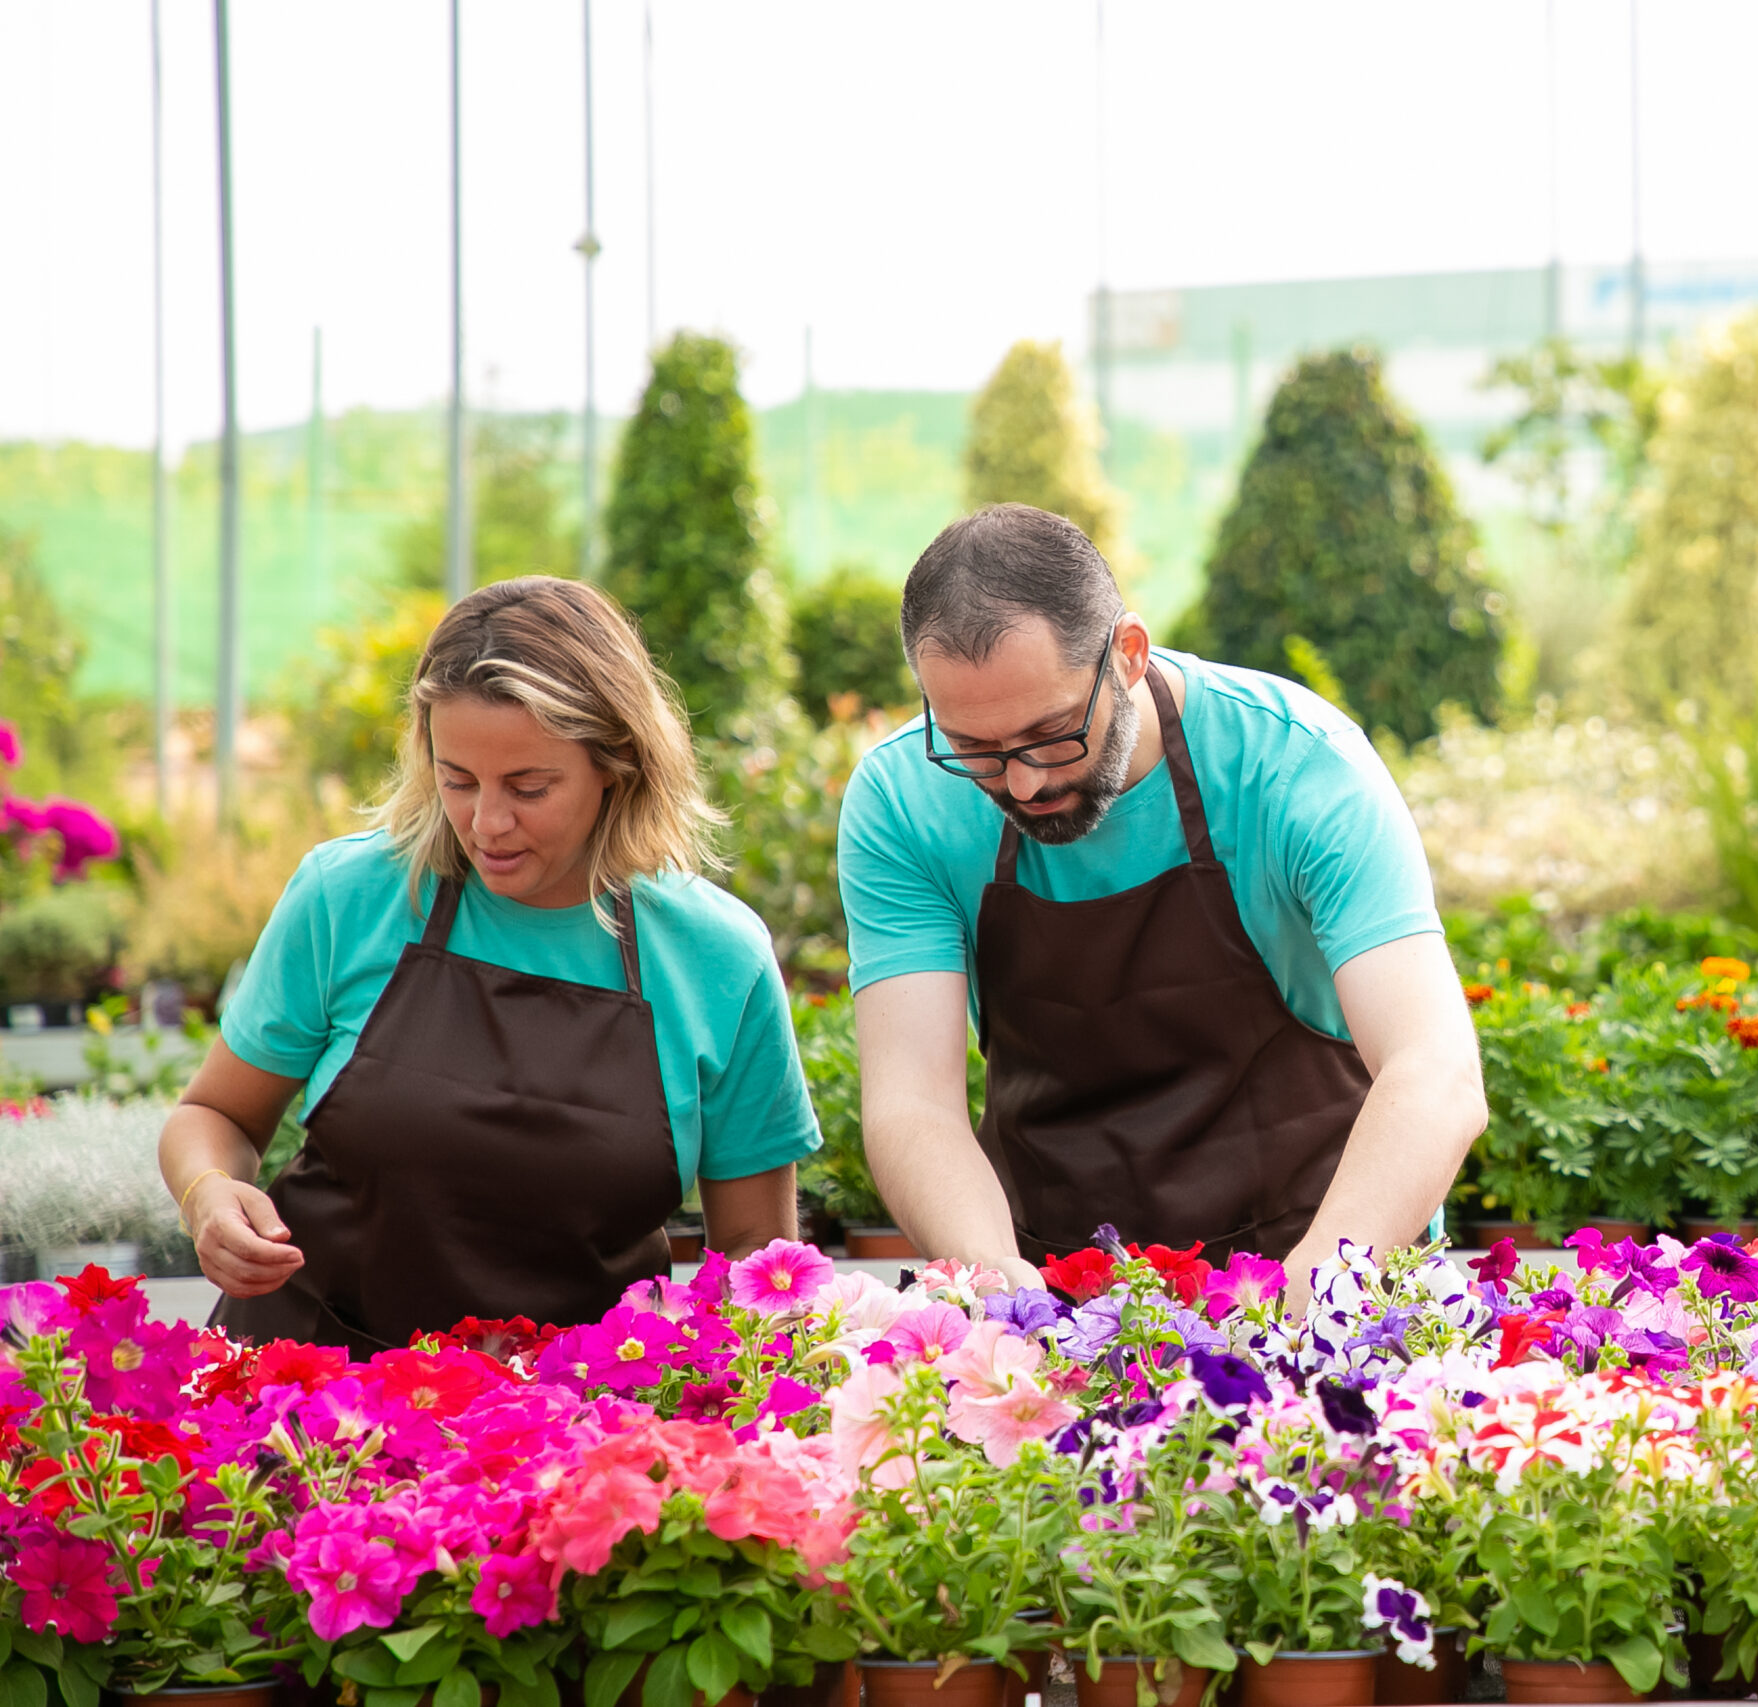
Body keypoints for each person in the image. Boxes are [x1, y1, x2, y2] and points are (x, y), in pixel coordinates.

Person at [838, 504, 1486, 1300]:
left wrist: (1319, 1287)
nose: (1022, 782)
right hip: (1061, 1283)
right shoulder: (901, 799)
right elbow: (912, 1102)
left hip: (1321, 1262)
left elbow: (1435, 1067)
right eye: (974, 749)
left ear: (1129, 654)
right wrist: (997, 1279)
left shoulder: (1298, 766)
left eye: (1050, 734)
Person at [158, 577, 820, 1350]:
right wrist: (209, 1194)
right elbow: (215, 1114)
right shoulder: (350, 897)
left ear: (617, 764)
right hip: (310, 1397)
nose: (489, 823)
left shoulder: (716, 958)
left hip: (569, 1427)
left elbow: (754, 1258)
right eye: (457, 781)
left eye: (530, 786)